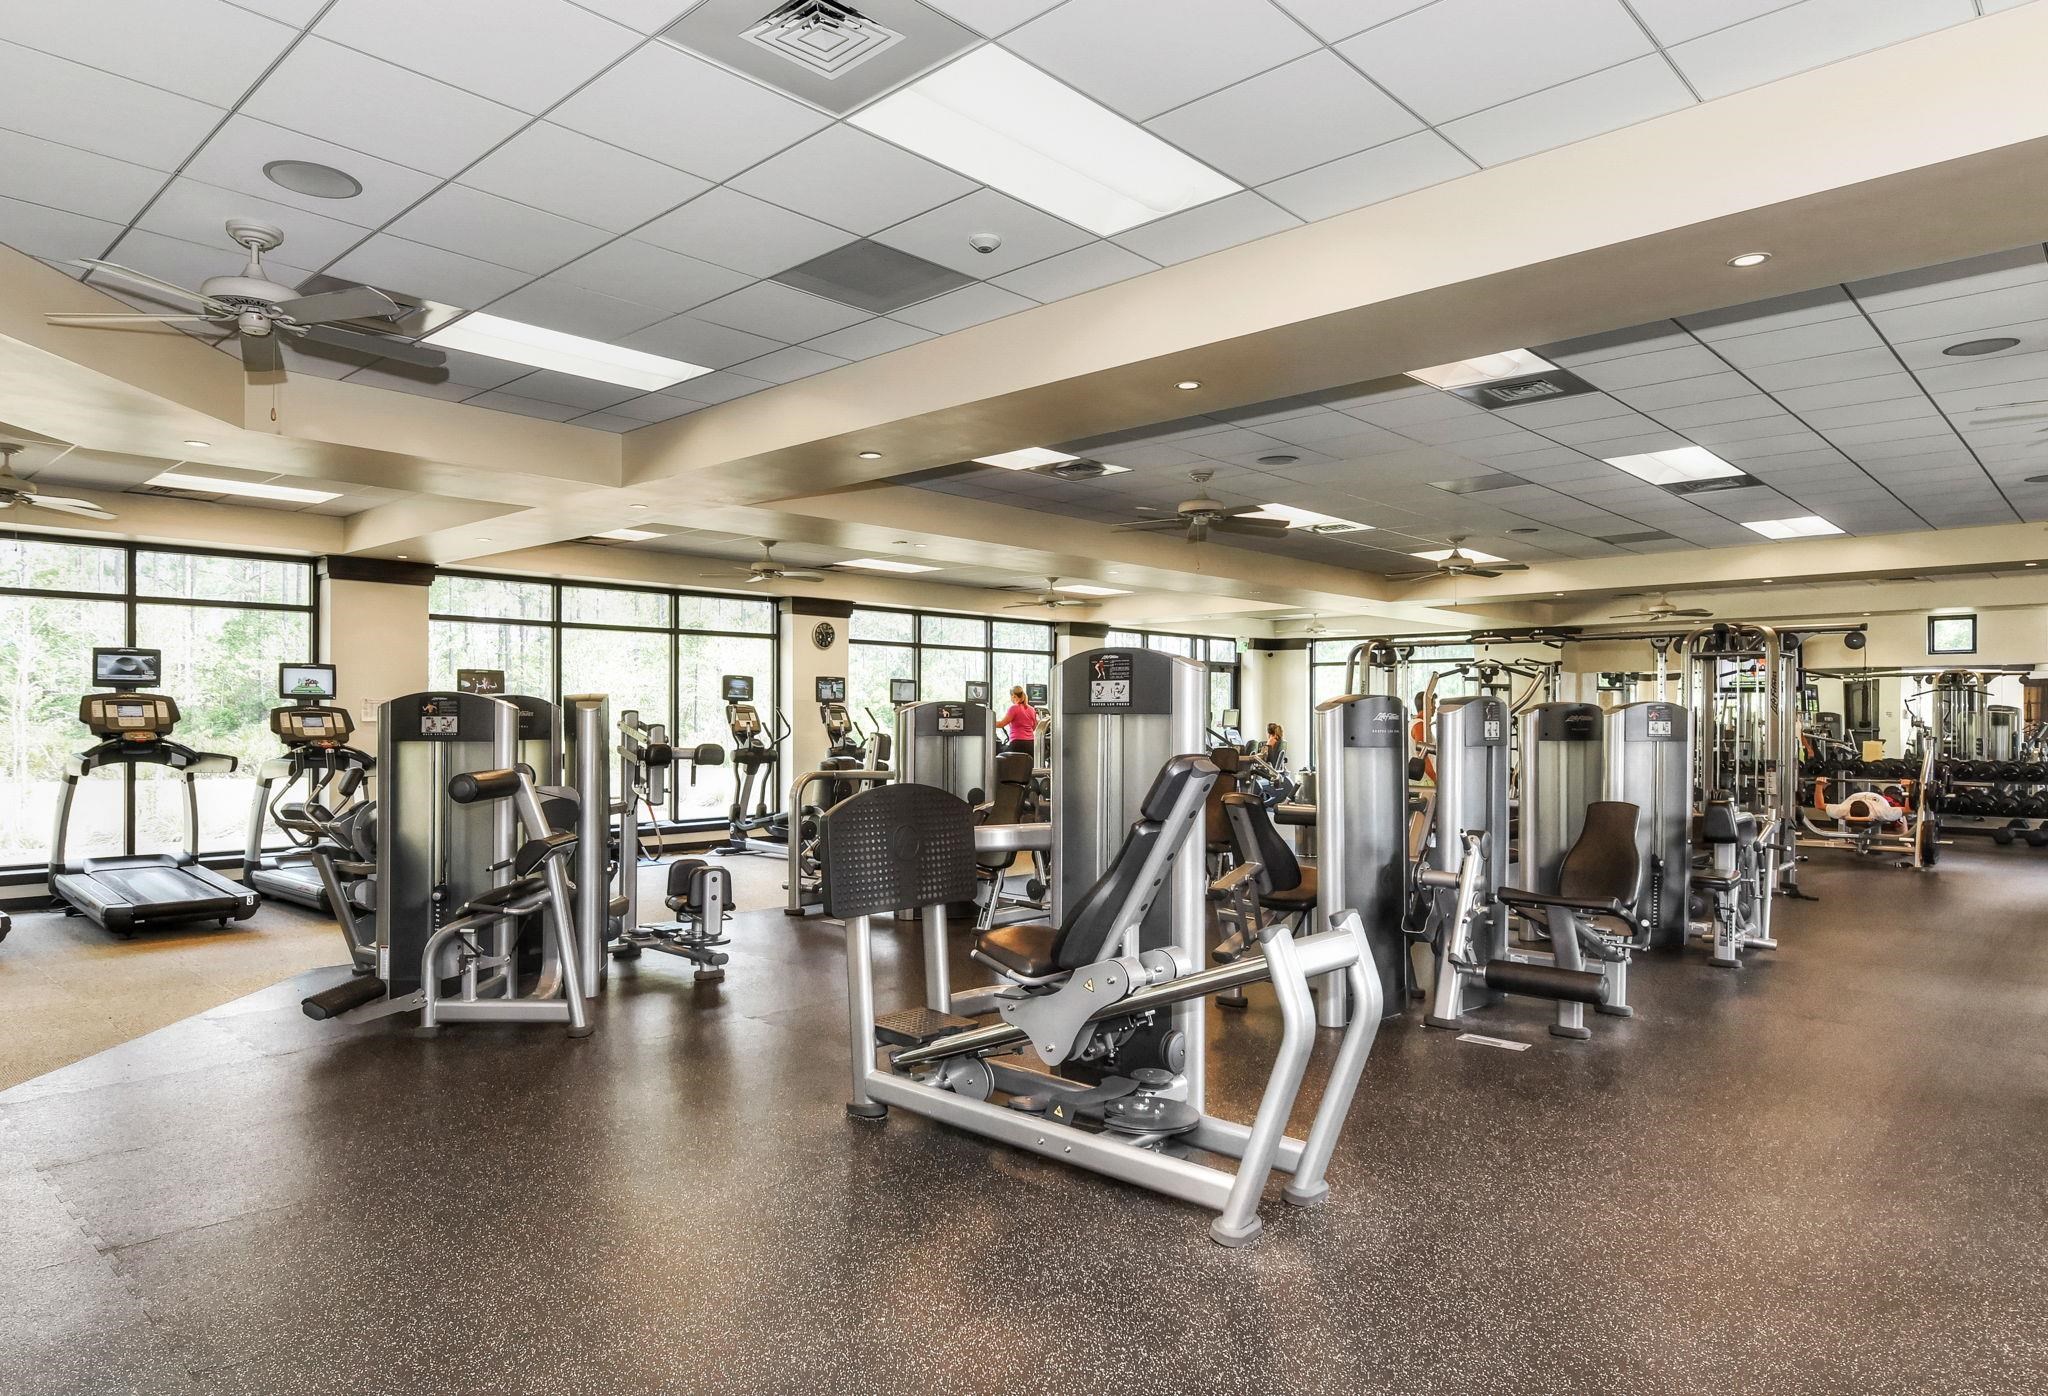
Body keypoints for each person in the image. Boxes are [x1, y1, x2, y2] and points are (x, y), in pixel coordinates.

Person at [998, 686, 1038, 756]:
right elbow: (1034, 727)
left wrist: (988, 722)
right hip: (1031, 744)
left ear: (1013, 696)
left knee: (998, 752)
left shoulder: (1014, 708)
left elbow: (1001, 724)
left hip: (1017, 744)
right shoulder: (1032, 709)